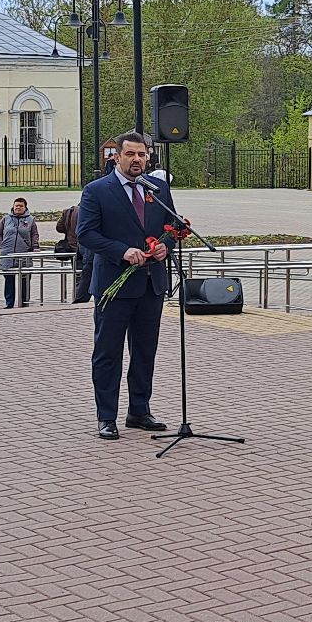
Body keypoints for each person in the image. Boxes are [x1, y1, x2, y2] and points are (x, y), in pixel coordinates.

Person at [77, 131, 178, 440]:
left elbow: (172, 227)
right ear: (117, 157)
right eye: (131, 154)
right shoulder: (97, 190)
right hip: (114, 286)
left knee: (145, 350)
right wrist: (122, 251)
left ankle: (139, 410)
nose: (137, 160)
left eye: (142, 155)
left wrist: (166, 247)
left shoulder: (157, 188)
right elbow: (86, 234)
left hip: (151, 284)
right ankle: (106, 416)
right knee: (108, 352)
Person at [0, 197, 39, 308]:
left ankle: (24, 303)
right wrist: (1, 245)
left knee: (25, 279)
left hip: (24, 253)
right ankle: (9, 303)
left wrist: (34, 246)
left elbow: (34, 234)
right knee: (9, 280)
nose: (18, 208)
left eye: (21, 206)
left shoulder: (30, 220)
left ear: (25, 207)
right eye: (16, 206)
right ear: (13, 206)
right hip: (8, 254)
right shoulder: (6, 219)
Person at [55, 202, 92, 304]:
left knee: (79, 277)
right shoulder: (91, 211)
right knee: (85, 276)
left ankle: (78, 299)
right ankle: (80, 300)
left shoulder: (68, 212)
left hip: (73, 248)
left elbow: (59, 228)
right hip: (87, 249)